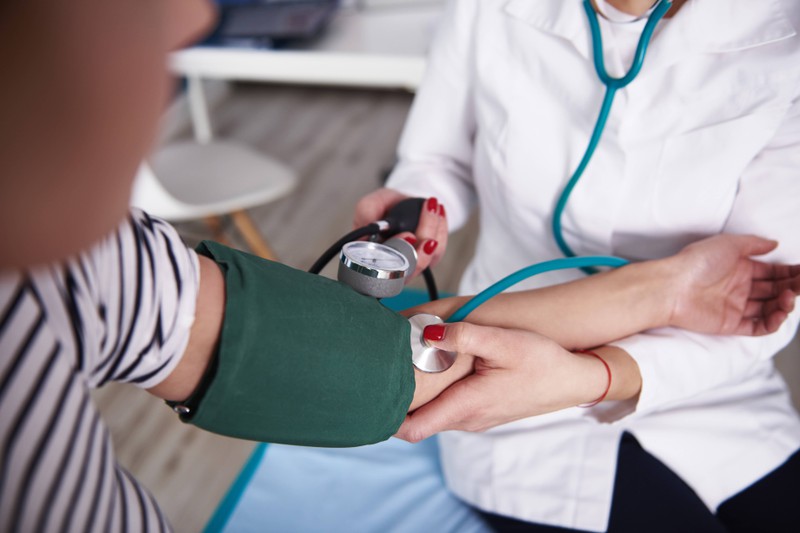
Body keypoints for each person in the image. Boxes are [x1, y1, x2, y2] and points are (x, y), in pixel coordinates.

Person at [0, 1, 797, 532]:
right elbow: (377, 353)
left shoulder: (99, 267)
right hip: (514, 401)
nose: (194, 16)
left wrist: (612, 356)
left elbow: (758, 307)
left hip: (699, 384)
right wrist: (666, 286)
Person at [354, 0, 800, 531]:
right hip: (499, 377)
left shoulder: (783, 32)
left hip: (700, 373)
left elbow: (768, 295)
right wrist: (417, 211)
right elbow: (435, 160)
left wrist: (593, 375)